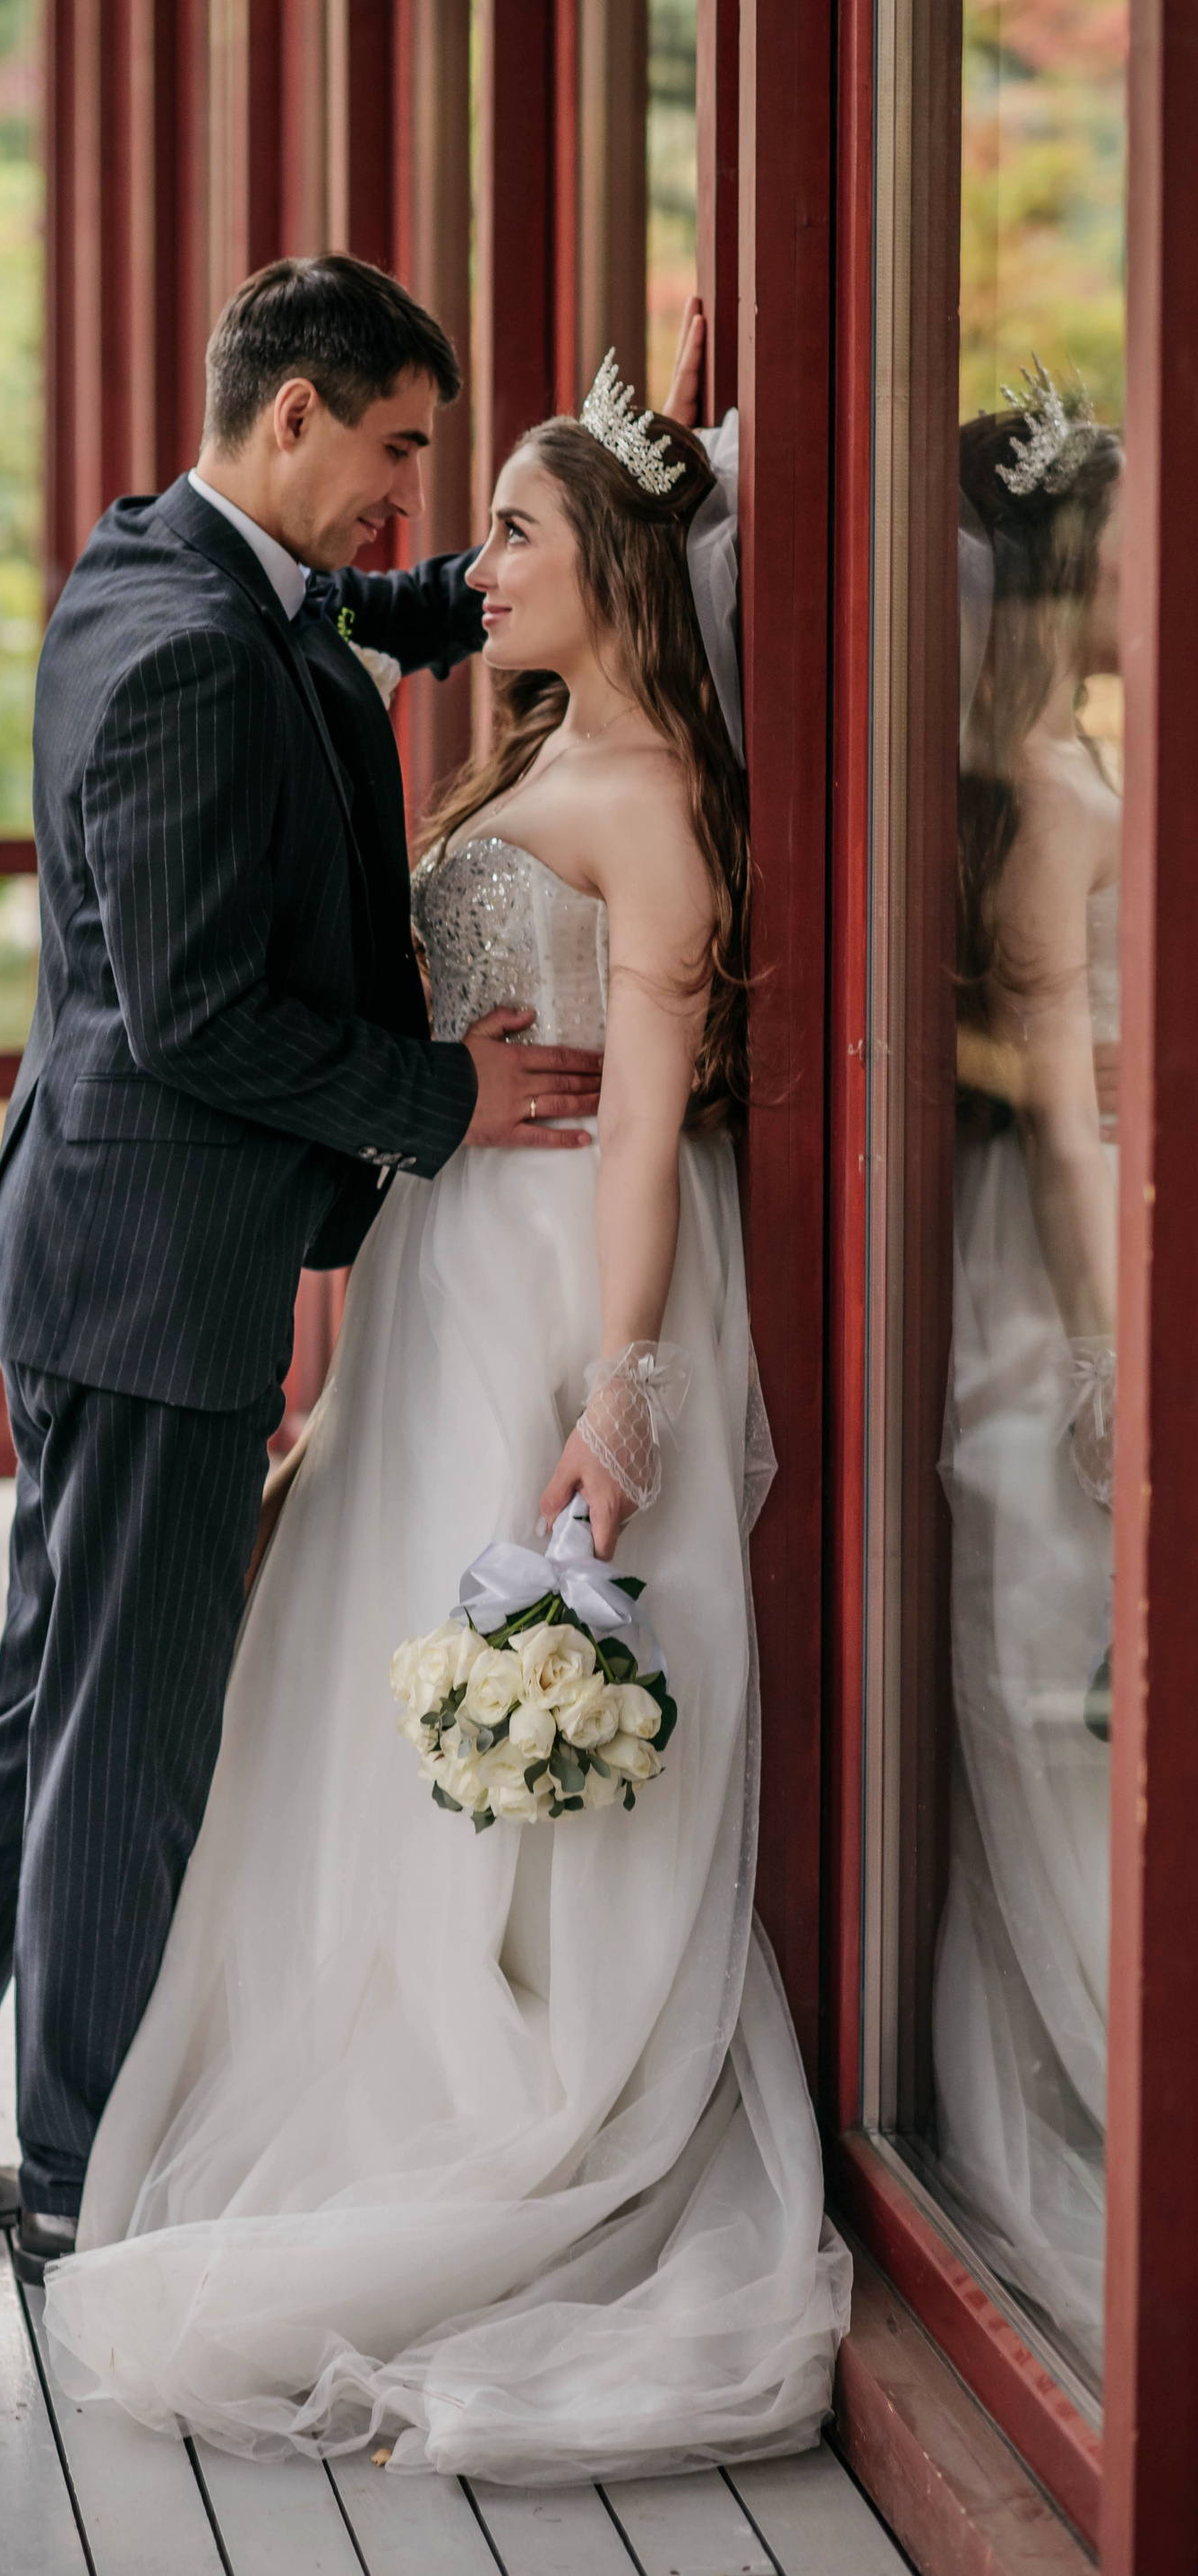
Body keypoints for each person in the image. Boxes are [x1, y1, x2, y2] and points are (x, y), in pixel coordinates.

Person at [35, 353, 851, 2482]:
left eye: (511, 530)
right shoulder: (541, 739)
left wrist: (623, 1385)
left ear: (618, 575)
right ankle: (366, 2025)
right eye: (452, 504)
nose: (469, 562)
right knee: (364, 1658)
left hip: (555, 1279)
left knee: (504, 1643)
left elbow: (646, 1123)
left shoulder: (649, 797)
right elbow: (357, 610)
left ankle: (518, 2078)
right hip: (436, 1262)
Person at [0, 255, 606, 2267]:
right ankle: (85, 2171)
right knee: (125, 1735)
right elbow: (195, 1015)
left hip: (104, 1249)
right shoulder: (191, 648)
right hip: (152, 1275)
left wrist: (600, 501)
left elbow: (385, 613)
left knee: (48, 1695)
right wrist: (442, 1097)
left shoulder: (174, 563)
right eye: (398, 449)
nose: (411, 500)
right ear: (295, 411)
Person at [933, 374, 1122, 2377]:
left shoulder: (1044, 760)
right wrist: (1109, 1344)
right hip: (1056, 1263)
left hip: (1043, 1240)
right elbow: (1069, 1120)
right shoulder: (1054, 789)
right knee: (1067, 1681)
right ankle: (1086, 2090)